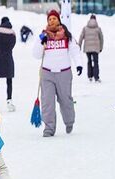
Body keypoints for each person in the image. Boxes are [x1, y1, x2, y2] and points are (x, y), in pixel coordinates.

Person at [33, 9, 83, 137]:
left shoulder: (66, 35)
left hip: (64, 73)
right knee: (47, 102)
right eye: (49, 19)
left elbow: (75, 50)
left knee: (66, 100)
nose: (52, 20)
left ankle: (69, 121)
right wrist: (40, 41)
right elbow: (36, 55)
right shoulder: (44, 36)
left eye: (54, 18)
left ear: (59, 20)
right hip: (47, 73)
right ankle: (49, 128)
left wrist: (79, 64)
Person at [77, 14, 103, 82]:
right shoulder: (98, 28)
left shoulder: (85, 28)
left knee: (89, 61)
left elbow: (81, 37)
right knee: (96, 62)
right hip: (95, 48)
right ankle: (96, 77)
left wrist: (79, 46)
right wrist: (101, 47)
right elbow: (101, 39)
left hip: (87, 48)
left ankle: (90, 76)